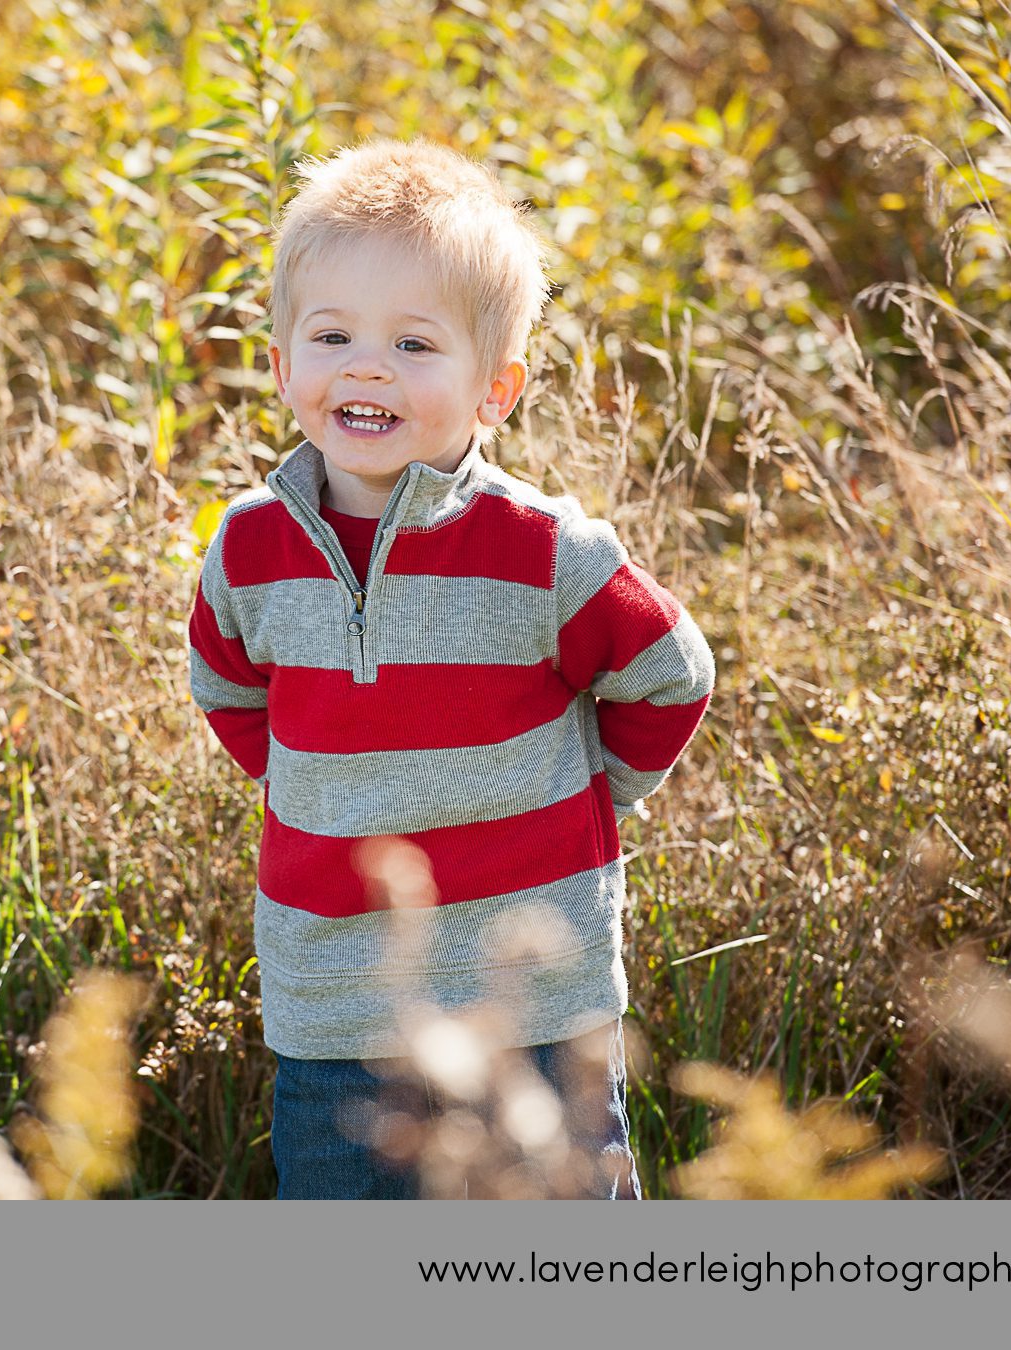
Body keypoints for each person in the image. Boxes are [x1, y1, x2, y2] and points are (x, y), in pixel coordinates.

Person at [186, 141, 715, 1199]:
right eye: (331, 336)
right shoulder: (249, 547)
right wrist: (314, 790)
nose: (366, 367)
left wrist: (588, 799)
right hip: (335, 1005)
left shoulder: (546, 553)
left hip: (534, 1004)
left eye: (413, 343)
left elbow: (670, 674)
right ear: (282, 365)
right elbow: (229, 688)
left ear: (495, 389)